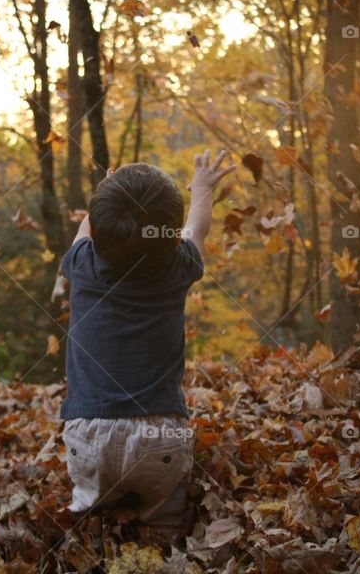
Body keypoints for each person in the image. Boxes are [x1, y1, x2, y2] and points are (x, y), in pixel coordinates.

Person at [58, 150, 235, 532]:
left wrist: (108, 189)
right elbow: (197, 229)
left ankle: (91, 524)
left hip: (89, 432)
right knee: (164, 516)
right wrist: (203, 187)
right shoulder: (178, 267)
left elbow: (87, 227)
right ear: (170, 237)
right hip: (159, 437)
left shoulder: (82, 265)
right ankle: (162, 536)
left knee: (93, 517)